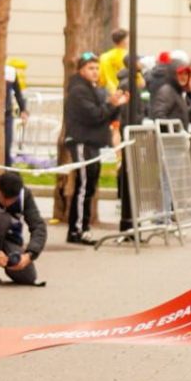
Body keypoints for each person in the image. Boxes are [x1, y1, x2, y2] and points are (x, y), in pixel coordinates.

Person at [65, 52, 127, 245]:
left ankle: (83, 227)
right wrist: (111, 104)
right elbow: (94, 115)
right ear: (81, 70)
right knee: (84, 186)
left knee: (89, 186)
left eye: (97, 67)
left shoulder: (94, 89)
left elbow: (105, 114)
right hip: (82, 141)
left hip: (93, 142)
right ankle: (77, 229)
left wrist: (114, 105)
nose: (95, 71)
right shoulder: (78, 90)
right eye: (91, 68)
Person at [98, 28, 129, 93]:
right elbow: (140, 81)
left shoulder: (104, 56)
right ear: (124, 40)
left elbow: (101, 78)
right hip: (123, 92)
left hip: (107, 91)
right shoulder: (127, 56)